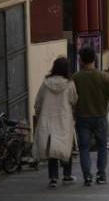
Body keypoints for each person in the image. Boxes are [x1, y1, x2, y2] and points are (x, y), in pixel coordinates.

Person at [72, 47, 109, 186]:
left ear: (81, 60)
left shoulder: (76, 78)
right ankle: (101, 174)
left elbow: (71, 98)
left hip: (82, 118)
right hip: (100, 117)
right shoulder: (104, 77)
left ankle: (87, 176)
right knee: (102, 146)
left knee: (84, 148)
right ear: (94, 59)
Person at [33, 56, 78, 188]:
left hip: (47, 119)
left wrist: (39, 114)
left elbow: (38, 102)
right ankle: (67, 176)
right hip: (64, 120)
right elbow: (74, 100)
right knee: (65, 147)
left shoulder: (45, 84)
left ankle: (53, 178)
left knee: (51, 148)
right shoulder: (69, 84)